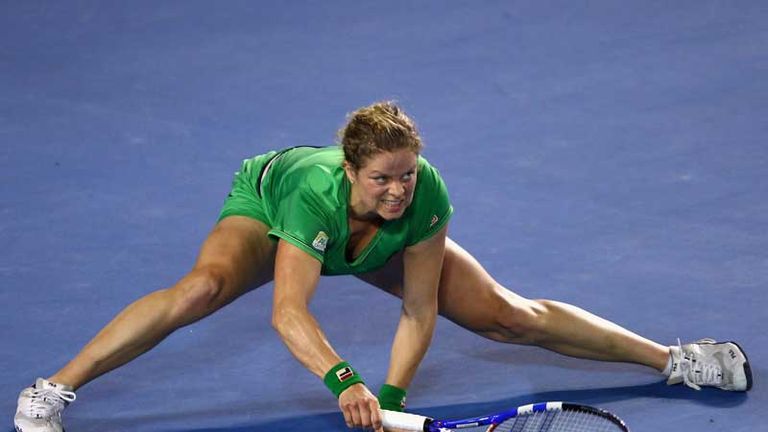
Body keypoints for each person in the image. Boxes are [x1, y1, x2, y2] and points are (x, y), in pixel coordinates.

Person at [15, 101, 752, 432]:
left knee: (505, 315)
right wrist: (347, 383)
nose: (397, 190)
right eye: (381, 179)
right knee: (202, 290)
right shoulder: (313, 195)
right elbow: (288, 312)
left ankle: (676, 360)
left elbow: (420, 308)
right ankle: (50, 392)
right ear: (351, 170)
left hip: (360, 237)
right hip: (270, 202)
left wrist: (391, 399)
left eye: (406, 174)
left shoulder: (423, 194)